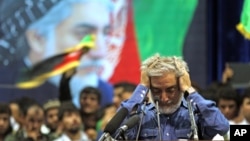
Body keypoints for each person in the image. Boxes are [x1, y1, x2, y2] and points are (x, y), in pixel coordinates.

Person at [0, 0, 127, 106]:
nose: (100, 52)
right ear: (37, 38)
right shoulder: (4, 90)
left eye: (105, 33)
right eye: (83, 34)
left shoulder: (107, 96)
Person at [115, 53, 229, 140]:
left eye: (170, 90)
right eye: (156, 91)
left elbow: (222, 127)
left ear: (180, 86)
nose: (164, 98)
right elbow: (115, 131)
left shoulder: (195, 114)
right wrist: (142, 86)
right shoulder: (140, 115)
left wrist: (189, 90)